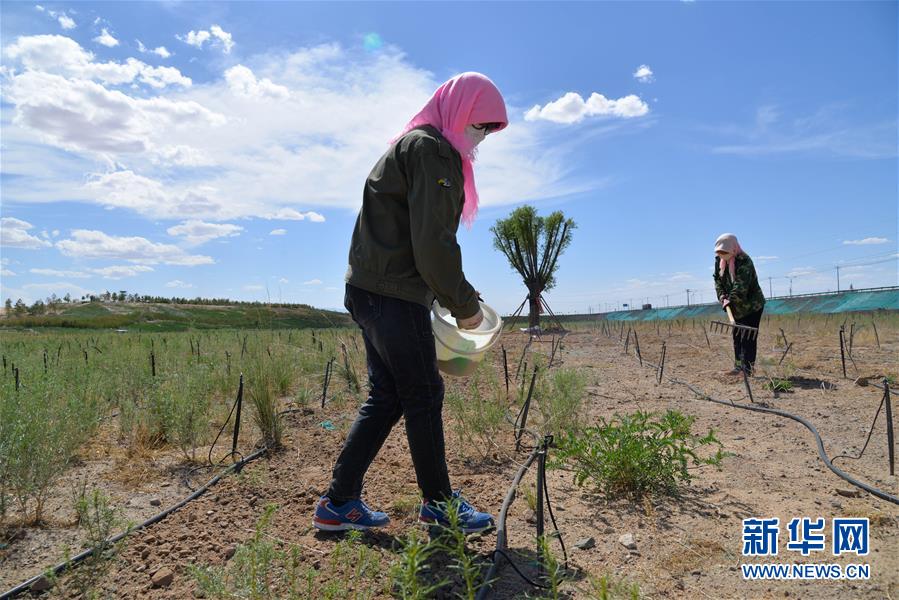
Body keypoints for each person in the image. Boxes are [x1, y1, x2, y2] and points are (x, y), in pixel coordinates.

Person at [313, 72, 508, 534]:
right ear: (459, 112)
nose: (481, 138)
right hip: (394, 295)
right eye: (480, 126)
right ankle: (438, 503)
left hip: (368, 290)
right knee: (423, 393)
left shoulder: (410, 145)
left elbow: (415, 239)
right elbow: (432, 245)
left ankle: (338, 502)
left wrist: (454, 287)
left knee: (388, 396)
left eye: (490, 131)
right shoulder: (432, 150)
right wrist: (465, 306)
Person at [713, 233, 766, 375]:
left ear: (734, 249)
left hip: (752, 305)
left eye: (725, 252)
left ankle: (748, 369)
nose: (722, 255)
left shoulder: (745, 261)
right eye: (719, 252)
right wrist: (722, 296)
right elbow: (717, 279)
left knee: (748, 337)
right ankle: (738, 367)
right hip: (735, 306)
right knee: (737, 336)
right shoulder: (719, 260)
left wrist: (730, 299)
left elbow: (741, 286)